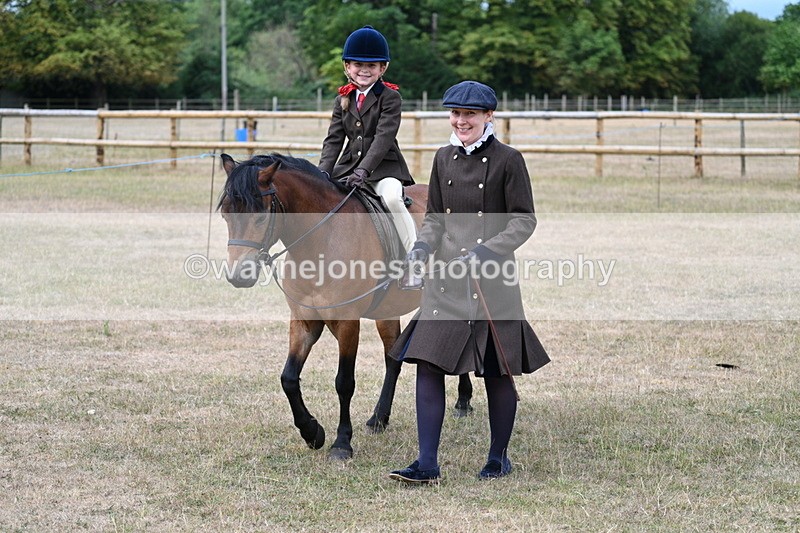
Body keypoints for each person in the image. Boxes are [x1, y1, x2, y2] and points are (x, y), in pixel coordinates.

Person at [388, 81, 550, 483]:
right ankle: (427, 464)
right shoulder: (442, 157)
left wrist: (485, 252)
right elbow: (436, 220)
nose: (462, 121)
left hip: (492, 281)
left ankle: (498, 457)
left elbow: (524, 220)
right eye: (456, 114)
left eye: (471, 115)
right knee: (428, 364)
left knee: (496, 370)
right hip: (445, 283)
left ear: (488, 116)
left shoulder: (509, 160)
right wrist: (420, 250)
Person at [318, 25, 417, 252]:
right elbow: (333, 140)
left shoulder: (391, 98)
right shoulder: (342, 99)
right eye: (358, 65)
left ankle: (413, 258)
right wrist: (323, 172)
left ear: (382, 68)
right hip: (347, 169)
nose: (364, 70)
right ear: (348, 67)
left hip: (383, 169)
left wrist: (363, 171)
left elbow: (383, 138)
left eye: (371, 65)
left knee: (393, 200)